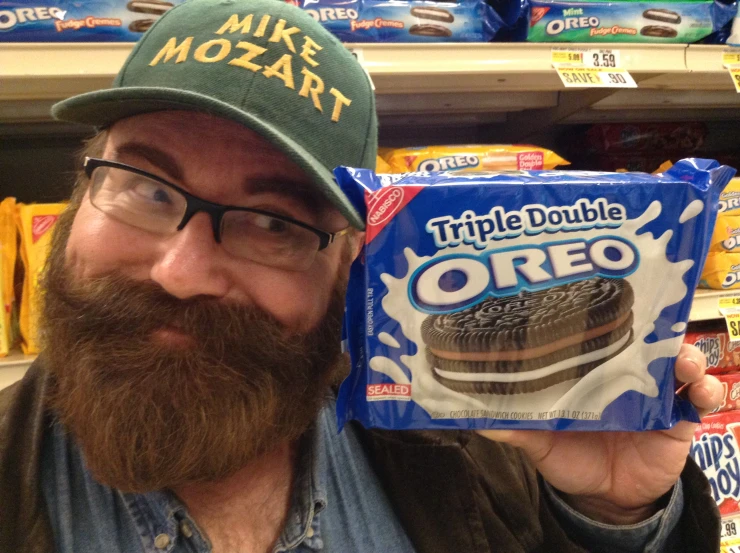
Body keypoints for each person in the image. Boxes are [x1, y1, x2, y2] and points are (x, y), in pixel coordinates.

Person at [0, 0, 724, 551]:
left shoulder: (479, 454)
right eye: (147, 189)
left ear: (351, 265)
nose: (183, 270)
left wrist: (612, 516)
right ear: (77, 192)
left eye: (274, 223)